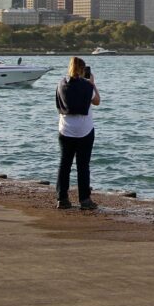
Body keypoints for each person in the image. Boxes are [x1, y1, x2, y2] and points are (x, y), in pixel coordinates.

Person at [55, 56, 101, 210]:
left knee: (64, 164)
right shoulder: (87, 86)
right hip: (84, 130)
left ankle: (62, 199)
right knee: (83, 166)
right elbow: (97, 101)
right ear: (83, 70)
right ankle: (84, 200)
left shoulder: (61, 84)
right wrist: (93, 85)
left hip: (65, 130)